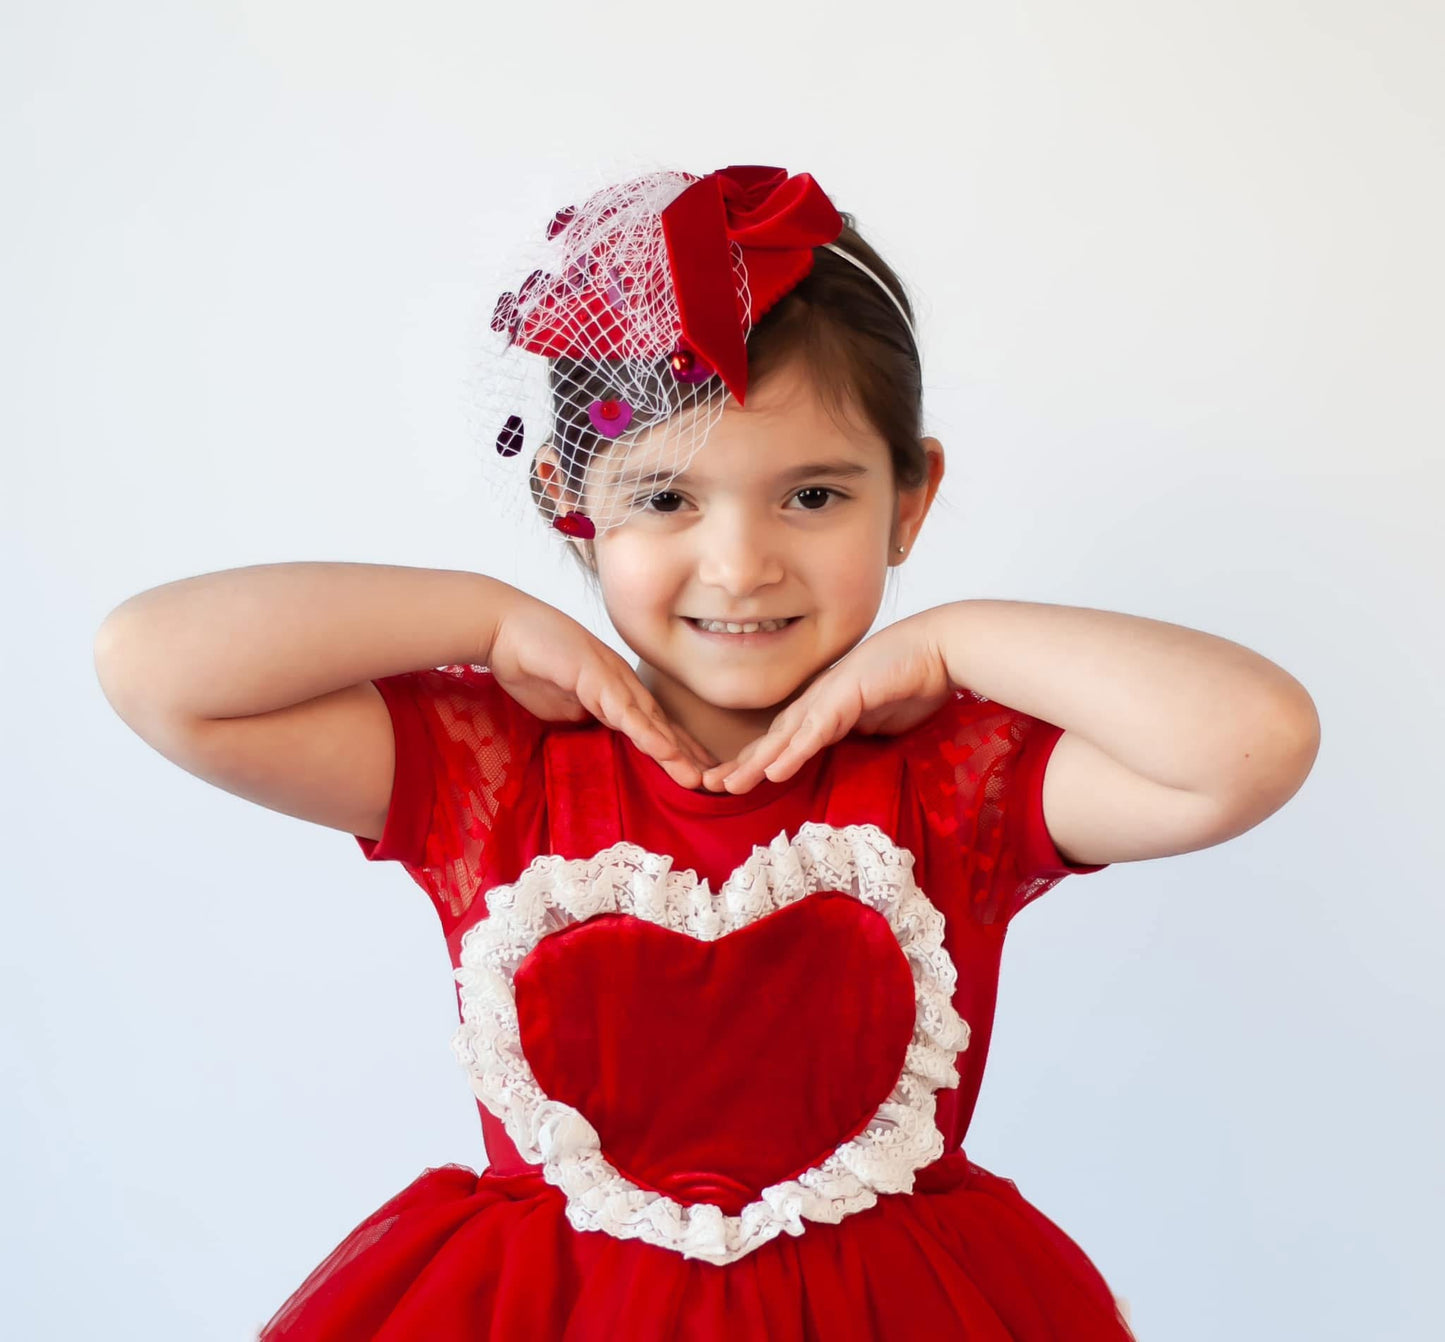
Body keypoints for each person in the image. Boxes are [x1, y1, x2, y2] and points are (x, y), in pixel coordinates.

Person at [94, 164, 1320, 1340]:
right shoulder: (497, 770)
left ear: (910, 496)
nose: (739, 564)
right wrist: (480, 613)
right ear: (569, 502)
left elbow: (1248, 744)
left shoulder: (955, 777)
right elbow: (157, 667)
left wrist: (955, 639)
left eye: (813, 496)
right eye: (666, 497)